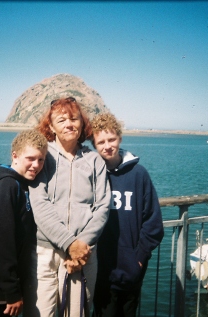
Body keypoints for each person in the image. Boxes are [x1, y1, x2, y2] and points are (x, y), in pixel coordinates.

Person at [24, 97, 111, 317]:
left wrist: (80, 246)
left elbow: (102, 206)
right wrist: (69, 243)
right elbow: (39, 204)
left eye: (74, 119)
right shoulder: (43, 157)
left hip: (84, 253)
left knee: (78, 313)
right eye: (61, 120)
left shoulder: (94, 160)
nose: (69, 124)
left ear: (82, 123)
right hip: (46, 252)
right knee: (42, 312)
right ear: (51, 126)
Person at [90, 113, 164, 317]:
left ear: (120, 138)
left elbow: (153, 222)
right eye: (101, 142)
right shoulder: (92, 175)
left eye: (111, 139)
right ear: (94, 145)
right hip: (102, 271)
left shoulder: (138, 174)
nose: (107, 146)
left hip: (132, 268)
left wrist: (139, 257)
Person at [0, 129, 48, 317]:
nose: (36, 165)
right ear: (15, 155)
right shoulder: (6, 187)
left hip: (5, 289)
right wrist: (11, 291)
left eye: (41, 160)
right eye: (30, 158)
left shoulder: (20, 185)